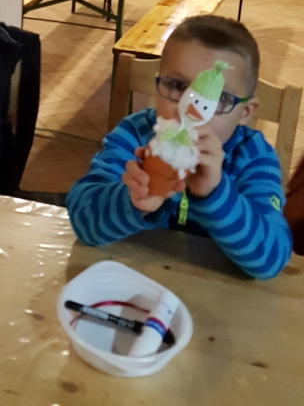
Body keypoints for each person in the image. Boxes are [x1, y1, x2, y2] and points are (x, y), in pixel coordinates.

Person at [66, 15, 292, 280]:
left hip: (213, 292)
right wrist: (131, 201)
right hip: (134, 279)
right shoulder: (135, 134)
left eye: (218, 98)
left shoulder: (254, 157)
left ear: (245, 112)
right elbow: (82, 221)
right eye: (178, 86)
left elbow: (272, 259)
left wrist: (215, 194)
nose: (191, 110)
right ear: (157, 86)